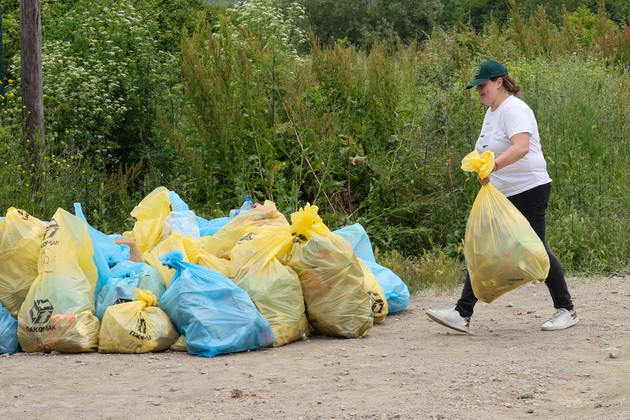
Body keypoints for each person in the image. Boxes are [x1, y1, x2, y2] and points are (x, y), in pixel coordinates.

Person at [426, 60, 579, 333]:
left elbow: (521, 147)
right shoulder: (492, 111)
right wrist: (482, 167)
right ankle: (462, 314)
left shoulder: (514, 109)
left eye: (482, 85)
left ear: (499, 82)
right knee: (486, 247)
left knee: (537, 249)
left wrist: (494, 166)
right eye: (475, 87)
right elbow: (491, 149)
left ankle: (567, 309)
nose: (478, 90)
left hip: (529, 188)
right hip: (501, 192)